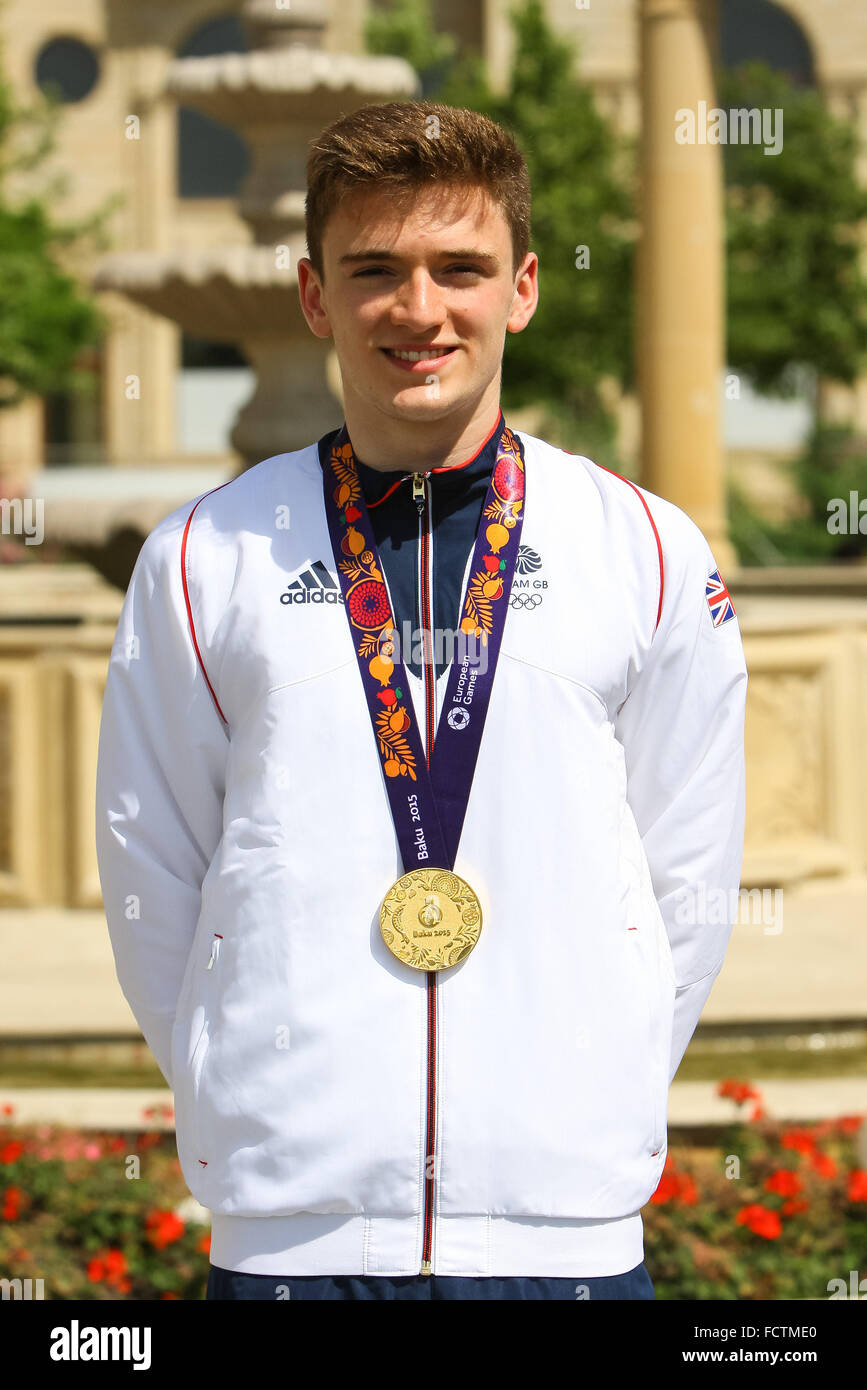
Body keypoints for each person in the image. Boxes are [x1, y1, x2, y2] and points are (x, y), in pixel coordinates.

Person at [94, 101, 748, 1301]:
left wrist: (592, 1091)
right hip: (293, 1232)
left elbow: (686, 876)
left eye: (462, 268)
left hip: (565, 1232)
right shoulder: (201, 557)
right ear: (313, 297)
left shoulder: (647, 549)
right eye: (375, 270)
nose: (420, 308)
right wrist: (245, 1097)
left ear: (525, 287)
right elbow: (155, 875)